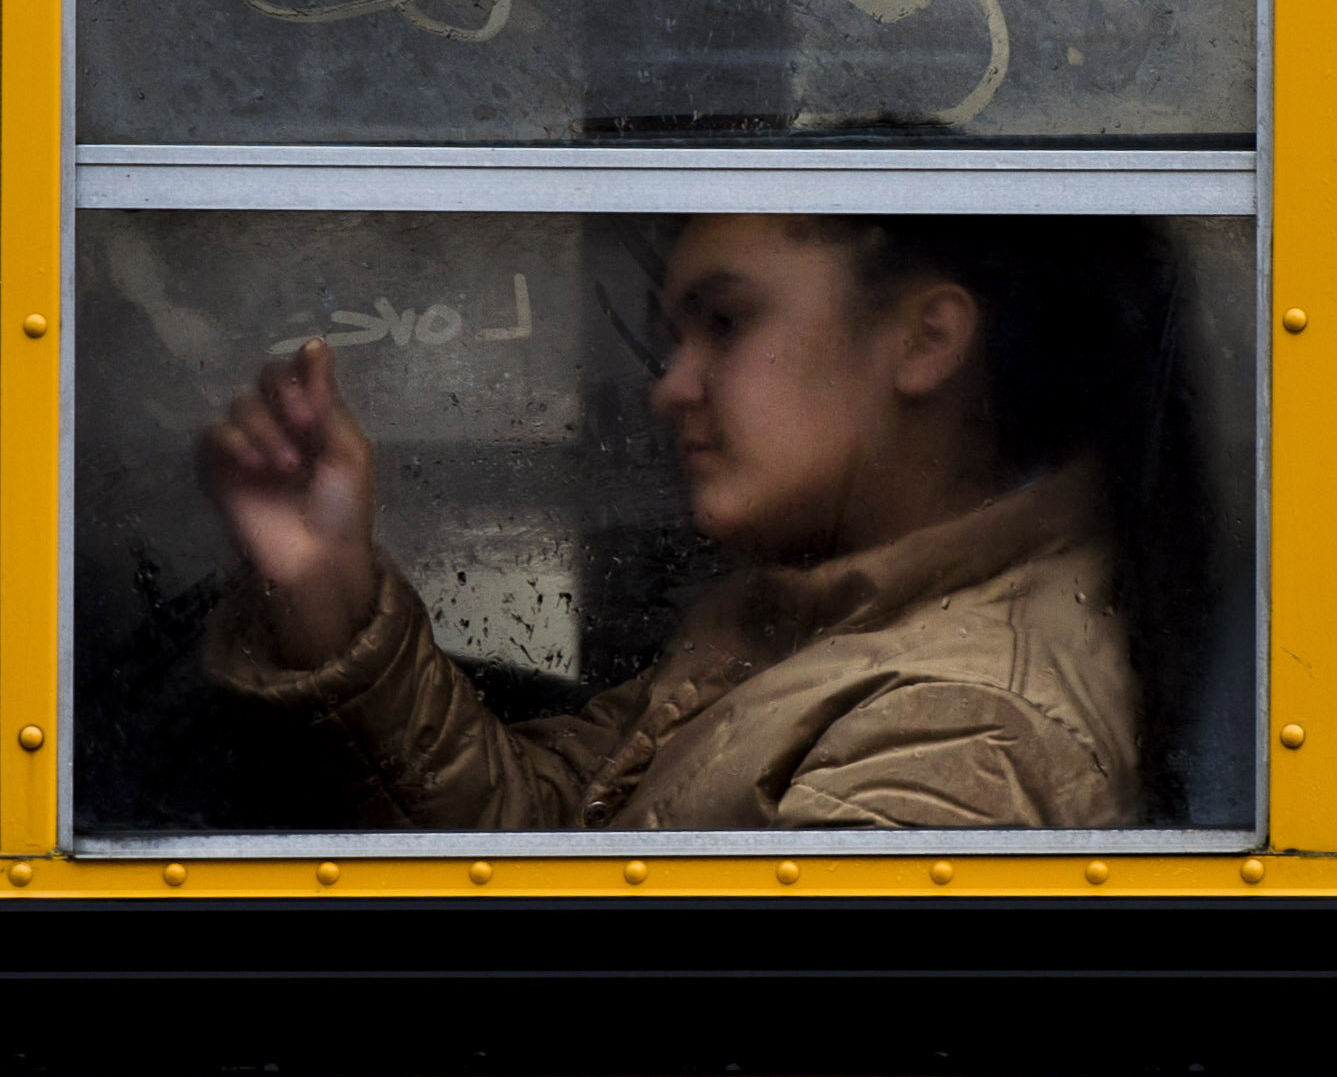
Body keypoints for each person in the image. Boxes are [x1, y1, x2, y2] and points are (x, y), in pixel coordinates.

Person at [202, 213, 1196, 831]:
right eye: (674, 338)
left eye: (725, 323)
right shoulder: (821, 619)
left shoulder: (961, 727)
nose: (670, 387)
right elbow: (542, 835)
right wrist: (328, 592)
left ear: (923, 338)